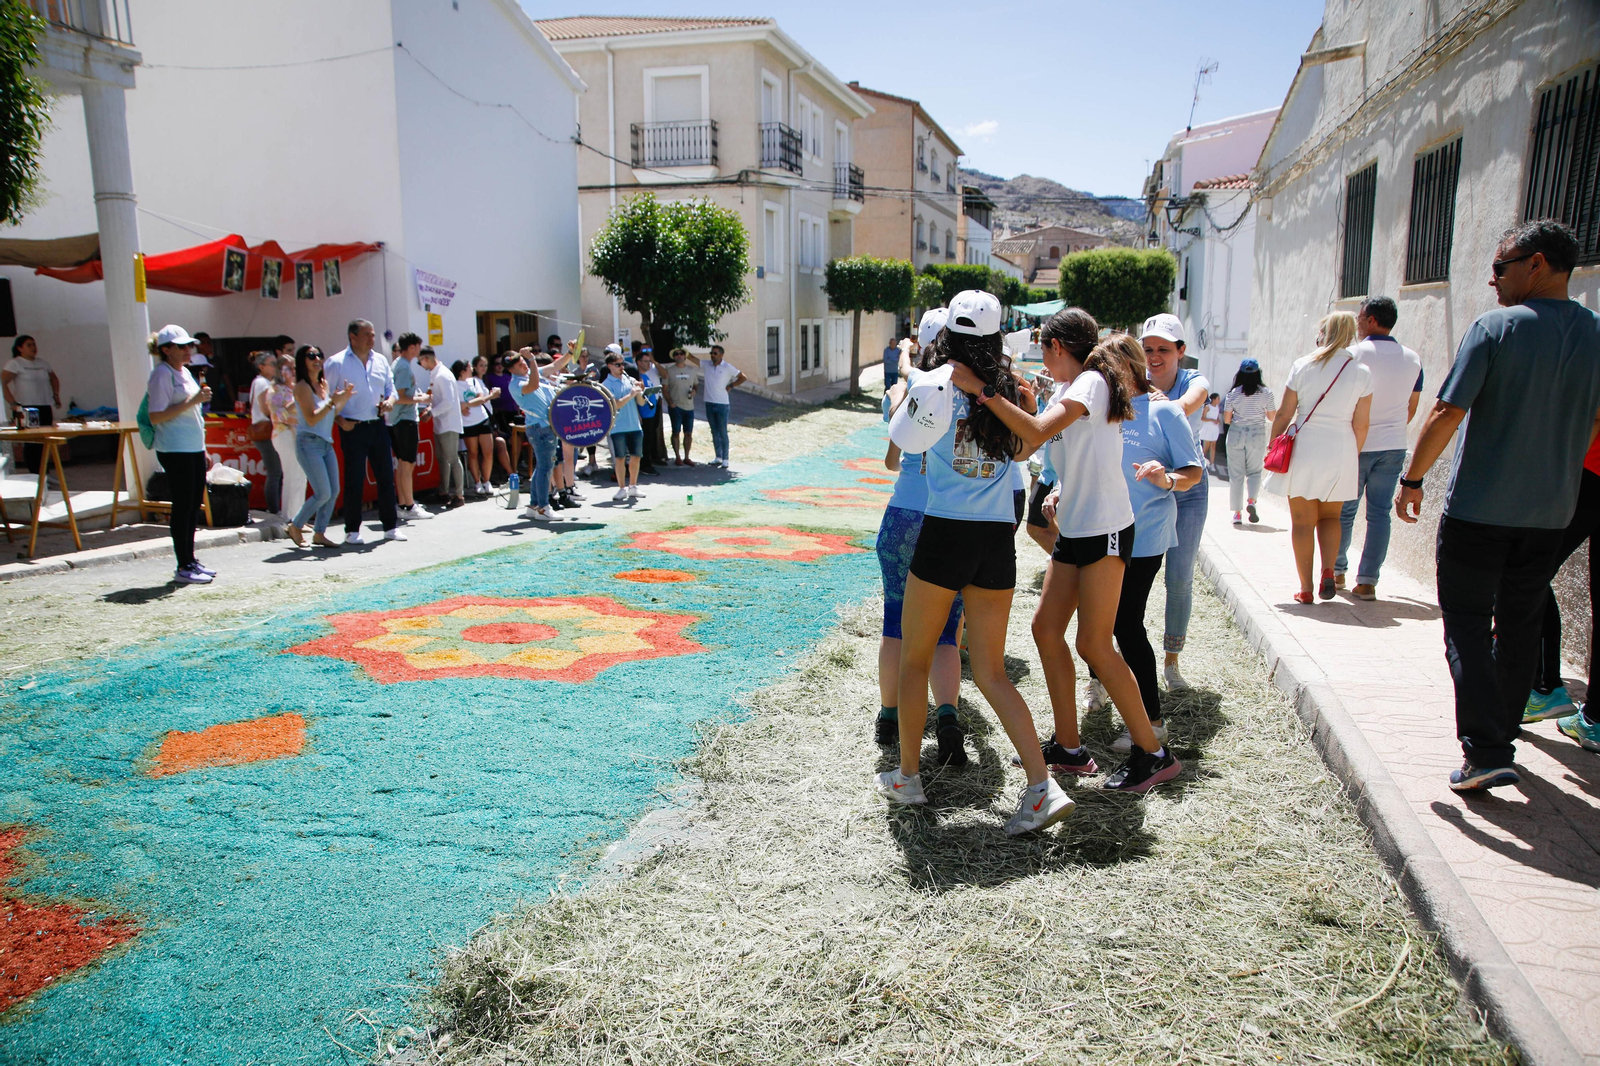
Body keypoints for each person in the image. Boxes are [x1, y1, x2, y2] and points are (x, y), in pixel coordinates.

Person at [1395, 220, 1600, 784]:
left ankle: (1486, 750)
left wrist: (1412, 480)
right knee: (1519, 626)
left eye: (1500, 267)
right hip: (1551, 515)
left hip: (1479, 513)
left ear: (1536, 264)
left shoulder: (1496, 328)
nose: (1492, 280)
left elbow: (1445, 411)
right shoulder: (1596, 333)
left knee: (1465, 624)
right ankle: (1500, 737)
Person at [875, 290, 1076, 835]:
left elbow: (899, 451)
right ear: (996, 336)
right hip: (995, 540)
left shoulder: (929, 383)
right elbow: (1019, 454)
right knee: (989, 670)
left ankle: (909, 777)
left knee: (916, 660)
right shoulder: (1014, 390)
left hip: (944, 533)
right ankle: (1042, 786)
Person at [986, 308, 1184, 795]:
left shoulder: (1092, 381)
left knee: (1094, 643)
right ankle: (1070, 749)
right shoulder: (1069, 389)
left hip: (1106, 529)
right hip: (1076, 527)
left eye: (1045, 352)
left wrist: (985, 393)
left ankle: (1153, 754)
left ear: (1057, 348)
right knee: (1046, 629)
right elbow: (1027, 449)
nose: (1044, 362)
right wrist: (1057, 489)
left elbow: (1033, 433)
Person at [1102, 335, 1203, 754]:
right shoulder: (1105, 412)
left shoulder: (1164, 411)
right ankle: (1118, 697)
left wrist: (1167, 479)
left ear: (1128, 366)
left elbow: (1192, 472)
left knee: (1126, 625)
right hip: (1103, 532)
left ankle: (1152, 722)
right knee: (1103, 625)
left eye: (1107, 367)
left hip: (1145, 536)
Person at [875, 341, 964, 753]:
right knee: (947, 631)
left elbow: (893, 462)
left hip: (902, 518)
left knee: (895, 622)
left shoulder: (908, 399)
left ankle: (889, 717)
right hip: (948, 521)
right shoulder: (966, 400)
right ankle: (947, 717)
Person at [1267, 312, 1373, 603]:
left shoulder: (1302, 366)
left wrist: (1273, 443)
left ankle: (1305, 588)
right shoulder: (1361, 371)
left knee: (1302, 522)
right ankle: (1329, 570)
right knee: (1331, 517)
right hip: (1341, 447)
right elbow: (1361, 424)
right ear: (1351, 334)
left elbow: (1285, 413)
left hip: (1305, 445)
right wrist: (1352, 454)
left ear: (1322, 334)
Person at [1334, 296, 1422, 600]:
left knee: (1345, 511)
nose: (1357, 324)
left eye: (1360, 318)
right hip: (1394, 445)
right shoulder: (1413, 358)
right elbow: (1412, 407)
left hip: (1357, 443)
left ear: (1371, 320)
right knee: (1380, 514)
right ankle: (1368, 581)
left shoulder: (1353, 355)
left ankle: (1337, 571)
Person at [1139, 314, 1210, 692]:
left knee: (1179, 577)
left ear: (1181, 352)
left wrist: (1161, 404)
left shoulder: (1193, 380)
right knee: (1130, 578)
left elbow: (1188, 403)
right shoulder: (1135, 381)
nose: (1154, 357)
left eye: (1164, 349)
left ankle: (1171, 662)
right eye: (1148, 349)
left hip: (1188, 484)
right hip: (1143, 485)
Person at [1527, 433, 1600, 725]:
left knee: (1526, 569)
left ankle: (1543, 689)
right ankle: (1594, 720)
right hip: (1586, 469)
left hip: (1587, 470)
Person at [324, 319, 405, 545]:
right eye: (367, 334)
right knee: (354, 479)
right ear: (353, 337)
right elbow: (326, 398)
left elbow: (392, 391)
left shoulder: (380, 360)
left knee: (386, 477)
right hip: (353, 427)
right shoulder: (336, 362)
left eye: (373, 334)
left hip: (377, 424)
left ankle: (390, 526)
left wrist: (389, 402)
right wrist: (340, 421)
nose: (372, 338)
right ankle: (352, 530)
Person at [144, 325, 214, 584]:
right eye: (182, 346)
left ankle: (191, 560)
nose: (188, 351)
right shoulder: (161, 374)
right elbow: (156, 415)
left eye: (189, 346)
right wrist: (193, 401)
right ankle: (183, 565)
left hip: (192, 448)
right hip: (174, 449)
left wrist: (204, 448)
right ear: (166, 350)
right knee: (183, 506)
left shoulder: (183, 371)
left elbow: (194, 416)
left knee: (193, 505)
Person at [286, 345, 354, 548]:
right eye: (311, 356)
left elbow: (329, 414)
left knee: (333, 491)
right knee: (323, 492)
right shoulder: (302, 387)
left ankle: (319, 533)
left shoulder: (323, 384)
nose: (317, 359)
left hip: (325, 443)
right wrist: (332, 402)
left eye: (319, 355)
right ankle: (296, 526)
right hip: (309, 443)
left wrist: (341, 400)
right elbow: (311, 418)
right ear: (302, 361)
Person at [1224, 359, 1277, 524]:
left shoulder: (1232, 394)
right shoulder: (1267, 393)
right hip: (1257, 433)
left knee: (1236, 475)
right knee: (1254, 472)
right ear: (1258, 373)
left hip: (1236, 434)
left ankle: (1237, 514)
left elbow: (1227, 419)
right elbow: (1271, 417)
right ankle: (1252, 501)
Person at [510, 351, 559, 521]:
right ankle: (543, 507)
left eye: (524, 362)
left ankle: (534, 505)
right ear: (512, 370)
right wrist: (531, 359)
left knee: (542, 466)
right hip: (541, 428)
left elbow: (554, 366)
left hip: (543, 427)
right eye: (520, 365)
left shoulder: (529, 373)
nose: (524, 365)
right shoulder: (515, 384)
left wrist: (570, 352)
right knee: (546, 468)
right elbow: (534, 385)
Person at [3, 335, 61, 473]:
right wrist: (12, 403)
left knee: (45, 440)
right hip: (26, 408)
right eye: (29, 345)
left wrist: (56, 395)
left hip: (44, 405)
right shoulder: (15, 363)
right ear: (19, 348)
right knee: (32, 442)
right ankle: (34, 473)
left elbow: (54, 379)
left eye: (34, 344)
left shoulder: (42, 363)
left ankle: (44, 472)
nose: (33, 348)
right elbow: (3, 383)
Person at [387, 332, 428, 521]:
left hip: (400, 420)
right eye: (418, 347)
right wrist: (420, 399)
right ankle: (408, 505)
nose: (419, 350)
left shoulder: (399, 364)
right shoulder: (402, 366)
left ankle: (404, 503)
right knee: (407, 463)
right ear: (411, 347)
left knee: (404, 464)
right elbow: (400, 396)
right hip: (405, 420)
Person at [419, 347, 465, 509]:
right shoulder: (435, 373)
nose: (420, 365)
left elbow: (448, 401)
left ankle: (459, 495)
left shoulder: (443, 375)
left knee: (452, 458)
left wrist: (431, 412)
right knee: (442, 459)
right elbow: (436, 397)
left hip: (448, 423)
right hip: (440, 423)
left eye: (420, 362)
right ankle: (443, 492)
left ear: (426, 359)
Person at [600, 353, 646, 501]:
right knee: (620, 458)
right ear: (610, 366)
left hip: (634, 425)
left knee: (636, 457)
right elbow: (616, 404)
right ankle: (621, 488)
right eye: (618, 365)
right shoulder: (606, 385)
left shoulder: (629, 379)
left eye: (622, 364)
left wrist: (640, 391)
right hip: (618, 426)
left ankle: (633, 486)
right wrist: (632, 394)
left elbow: (641, 403)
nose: (621, 367)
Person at [269, 353, 306, 522]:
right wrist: (295, 403)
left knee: (301, 475)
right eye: (288, 368)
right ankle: (289, 517)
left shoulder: (294, 388)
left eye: (294, 368)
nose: (292, 371)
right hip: (284, 435)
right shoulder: (276, 390)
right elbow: (278, 415)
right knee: (292, 475)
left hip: (298, 435)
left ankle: (299, 517)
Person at [247, 351, 284, 517]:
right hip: (265, 431)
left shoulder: (264, 382)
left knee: (276, 471)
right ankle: (274, 510)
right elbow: (265, 408)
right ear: (261, 367)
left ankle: (275, 508)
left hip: (267, 430)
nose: (276, 367)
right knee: (275, 471)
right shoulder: (262, 383)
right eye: (272, 364)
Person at [700, 345, 746, 469]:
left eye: (715, 353)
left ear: (721, 355)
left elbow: (743, 376)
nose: (712, 355)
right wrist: (685, 353)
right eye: (711, 353)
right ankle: (718, 456)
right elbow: (694, 360)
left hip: (722, 403)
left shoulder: (727, 367)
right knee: (714, 431)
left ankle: (726, 458)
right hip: (709, 402)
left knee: (722, 431)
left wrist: (731, 385)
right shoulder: (707, 365)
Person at [457, 357, 498, 497]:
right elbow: (455, 404)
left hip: (482, 419)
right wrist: (463, 405)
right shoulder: (455, 385)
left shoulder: (474, 381)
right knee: (473, 453)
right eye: (469, 367)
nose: (472, 369)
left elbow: (481, 399)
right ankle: (477, 482)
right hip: (467, 423)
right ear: (462, 371)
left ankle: (487, 481)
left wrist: (467, 404)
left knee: (488, 452)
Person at [484, 352, 521, 482]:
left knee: (516, 438)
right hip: (499, 414)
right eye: (496, 364)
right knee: (506, 439)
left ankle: (515, 468)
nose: (499, 366)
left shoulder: (508, 376)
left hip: (512, 412)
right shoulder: (489, 378)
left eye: (501, 364)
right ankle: (510, 471)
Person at [665, 347, 698, 465]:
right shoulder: (669, 371)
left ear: (685, 356)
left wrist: (694, 391)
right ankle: (677, 456)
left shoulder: (691, 370)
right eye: (676, 354)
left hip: (689, 406)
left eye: (681, 354)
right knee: (676, 432)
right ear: (674, 357)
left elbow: (696, 385)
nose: (679, 356)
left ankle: (687, 457)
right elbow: (664, 389)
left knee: (688, 433)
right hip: (676, 406)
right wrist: (670, 403)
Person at [635, 347, 665, 476]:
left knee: (650, 438)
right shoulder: (637, 377)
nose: (649, 364)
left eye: (649, 361)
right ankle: (644, 465)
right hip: (644, 414)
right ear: (639, 362)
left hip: (651, 412)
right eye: (646, 361)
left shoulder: (647, 376)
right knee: (645, 440)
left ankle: (649, 462)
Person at [190, 332, 232, 414]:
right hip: (197, 399)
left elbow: (227, 381)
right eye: (203, 343)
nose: (206, 345)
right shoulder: (191, 361)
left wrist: (233, 400)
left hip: (215, 398)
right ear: (196, 345)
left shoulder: (217, 360)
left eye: (208, 343)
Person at [1198, 393, 1222, 471]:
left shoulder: (1217, 407)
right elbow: (1203, 418)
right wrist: (1212, 420)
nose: (1219, 400)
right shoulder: (1208, 407)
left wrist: (1218, 420)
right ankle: (1202, 462)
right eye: (1218, 399)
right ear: (1214, 399)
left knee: (1213, 446)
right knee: (1206, 447)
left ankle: (1212, 463)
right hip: (1207, 428)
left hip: (1214, 429)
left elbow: (1217, 416)